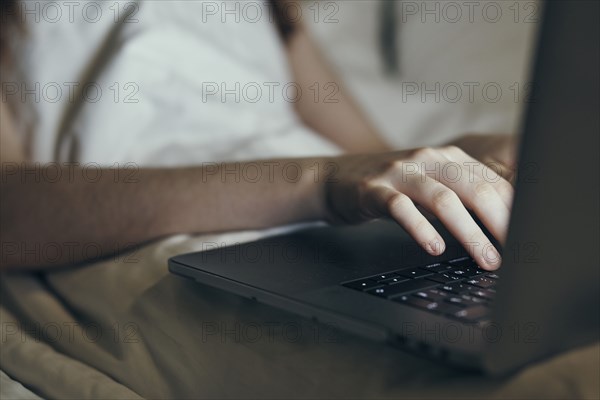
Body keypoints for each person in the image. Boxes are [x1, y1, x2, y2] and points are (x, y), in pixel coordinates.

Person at [0, 0, 514, 272]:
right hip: (179, 242)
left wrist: (465, 156)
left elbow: (365, 155)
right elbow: (10, 213)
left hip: (344, 229)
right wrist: (313, 183)